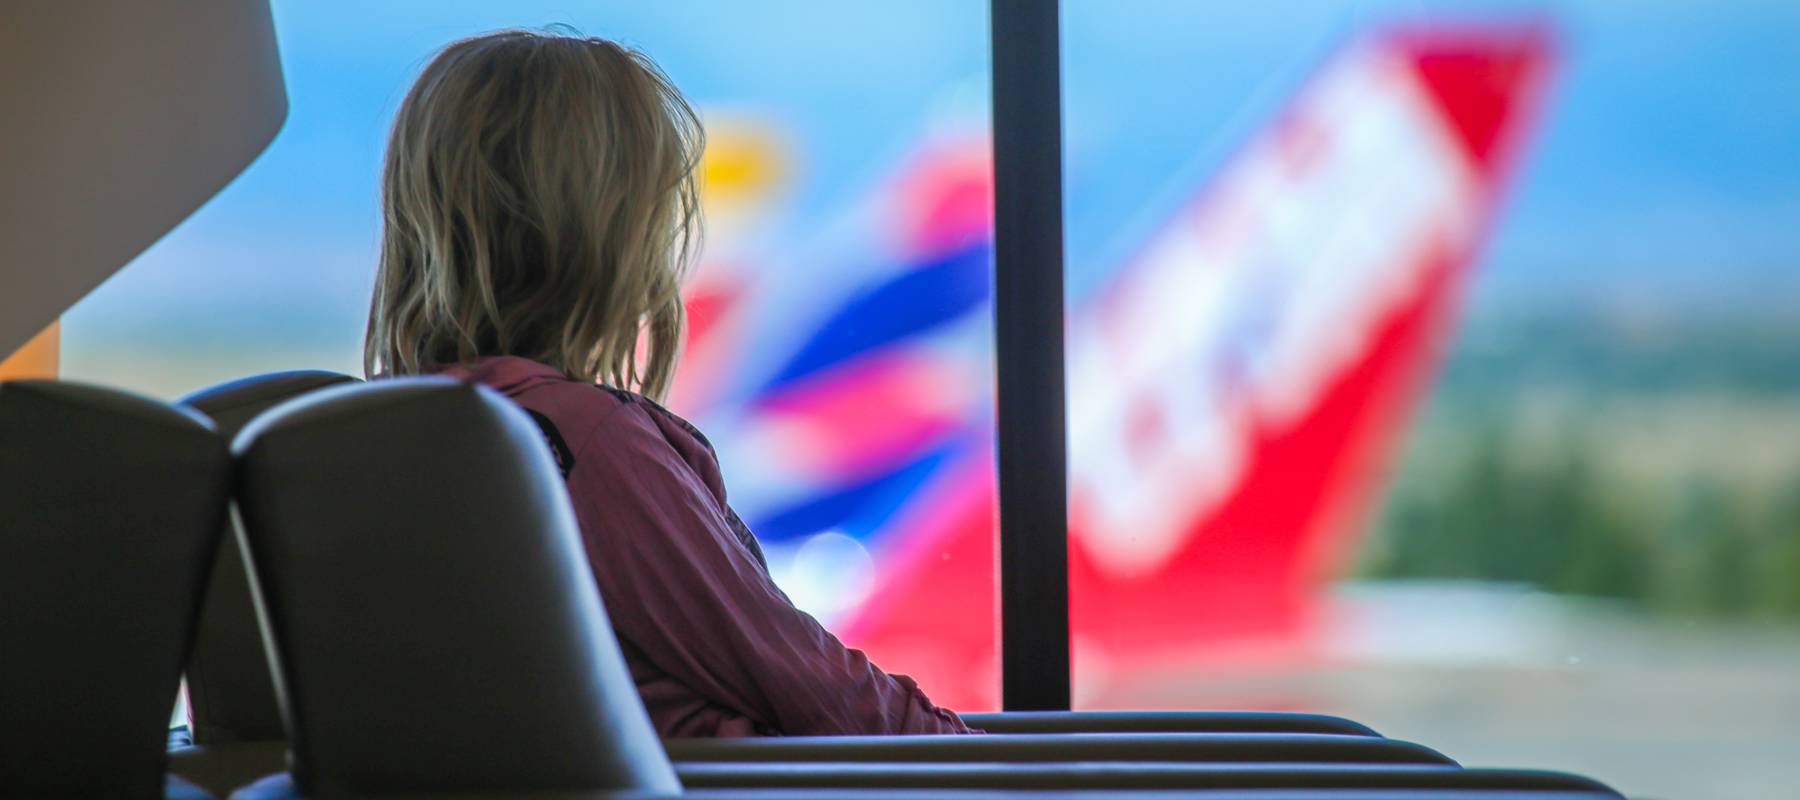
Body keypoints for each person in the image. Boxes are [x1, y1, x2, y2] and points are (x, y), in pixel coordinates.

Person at [362, 29, 974, 737]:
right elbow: (818, 690)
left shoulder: (380, 438)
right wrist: (994, 765)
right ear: (611, 236)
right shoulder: (583, 445)